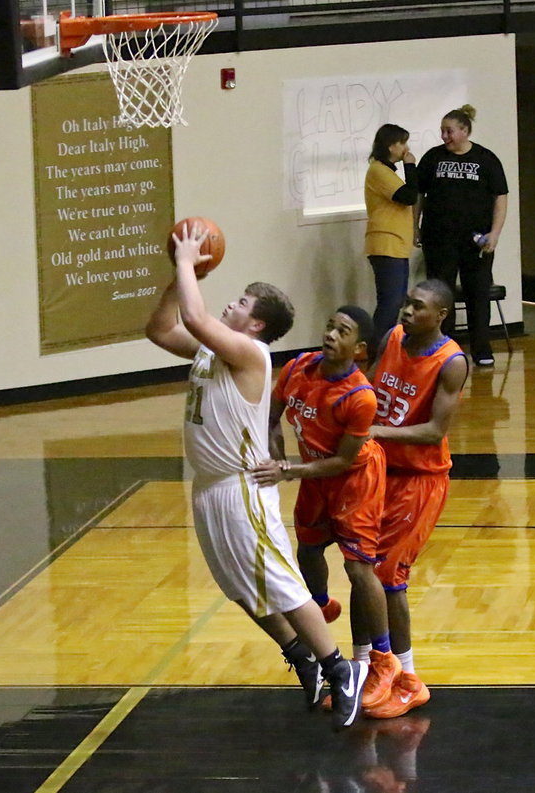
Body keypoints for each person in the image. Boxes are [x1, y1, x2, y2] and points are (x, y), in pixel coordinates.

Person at [145, 222, 367, 731]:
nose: (232, 304)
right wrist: (175, 277)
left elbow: (196, 316)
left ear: (257, 326)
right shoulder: (212, 349)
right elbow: (161, 329)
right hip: (208, 487)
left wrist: (186, 261)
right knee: (240, 588)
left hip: (243, 487)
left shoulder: (251, 355)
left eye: (243, 303)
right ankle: (302, 656)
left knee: (283, 585)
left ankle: (342, 669)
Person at [253, 305, 400, 713]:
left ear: (360, 349)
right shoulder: (298, 367)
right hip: (313, 473)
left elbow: (342, 461)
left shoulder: (360, 397)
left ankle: (383, 659)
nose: (332, 334)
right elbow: (271, 417)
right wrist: (279, 456)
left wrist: (290, 471)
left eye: (343, 331)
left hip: (354, 479)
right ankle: (319, 605)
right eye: (330, 326)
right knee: (308, 547)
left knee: (358, 568)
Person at [365, 279, 468, 718]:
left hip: (421, 479)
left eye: (418, 307)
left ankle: (408, 677)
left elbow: (435, 431)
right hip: (379, 471)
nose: (407, 312)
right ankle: (370, 667)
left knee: (389, 576)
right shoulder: (391, 338)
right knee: (361, 569)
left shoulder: (451, 361)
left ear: (441, 314)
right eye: (406, 303)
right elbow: (368, 392)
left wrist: (377, 431)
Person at [415, 104, 508, 367]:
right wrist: (415, 226)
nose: (444, 136)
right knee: (441, 295)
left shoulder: (486, 159)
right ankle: (445, 348)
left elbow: (501, 197)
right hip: (439, 239)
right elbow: (419, 196)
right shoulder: (432, 158)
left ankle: (481, 349)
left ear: (465, 131)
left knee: (477, 293)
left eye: (449, 131)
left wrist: (495, 233)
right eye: (442, 131)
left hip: (474, 241)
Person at [365, 124, 419, 348]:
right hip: (385, 243)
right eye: (402, 142)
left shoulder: (386, 171)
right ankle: (378, 351)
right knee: (390, 303)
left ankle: (385, 349)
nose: (406, 148)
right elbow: (408, 195)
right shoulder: (378, 170)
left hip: (396, 244)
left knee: (395, 302)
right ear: (390, 145)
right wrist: (410, 165)